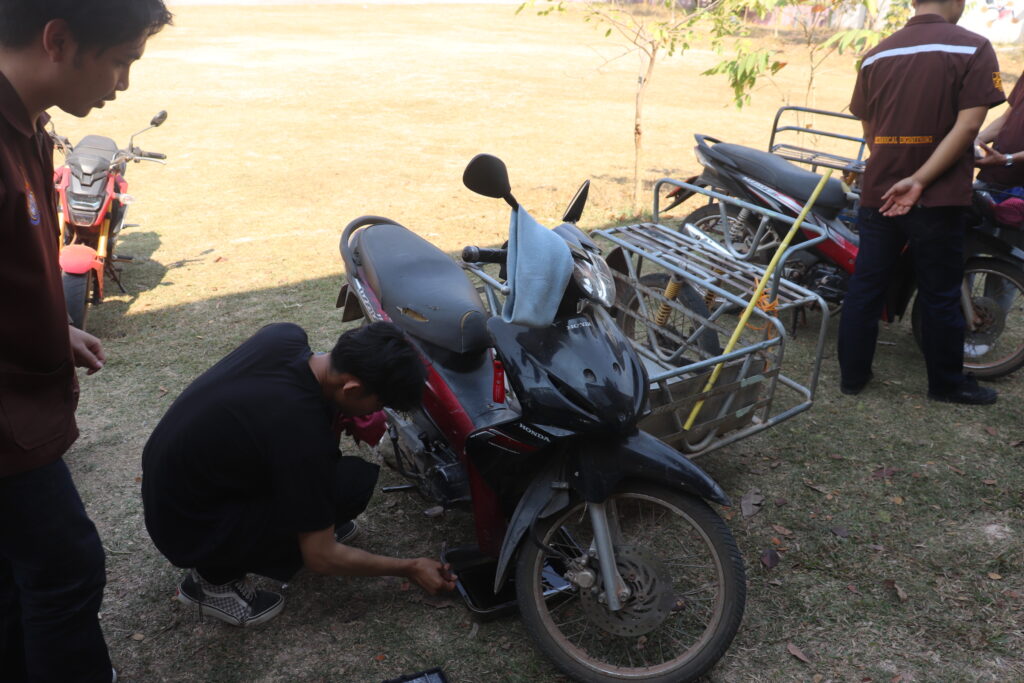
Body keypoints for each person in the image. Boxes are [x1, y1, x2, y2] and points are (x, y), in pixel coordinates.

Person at [0, 2, 171, 681]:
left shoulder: (28, 126)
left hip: (21, 413)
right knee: (64, 570)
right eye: (121, 60)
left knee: (19, 577)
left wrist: (52, 323)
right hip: (7, 431)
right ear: (59, 40)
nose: (122, 84)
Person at [141, 322, 457, 627]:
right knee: (350, 486)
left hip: (176, 486)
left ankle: (292, 527)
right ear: (352, 388)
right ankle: (213, 582)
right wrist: (410, 567)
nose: (377, 412)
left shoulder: (284, 337)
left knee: (339, 479)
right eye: (380, 403)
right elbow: (321, 557)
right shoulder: (300, 432)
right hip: (190, 528)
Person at [838, 0, 1005, 405]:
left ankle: (852, 377)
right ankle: (946, 384)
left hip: (880, 192)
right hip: (938, 198)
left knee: (866, 286)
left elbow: (870, 130)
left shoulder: (876, 54)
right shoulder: (973, 47)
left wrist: (899, 169)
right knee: (940, 292)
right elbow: (969, 126)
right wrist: (920, 179)